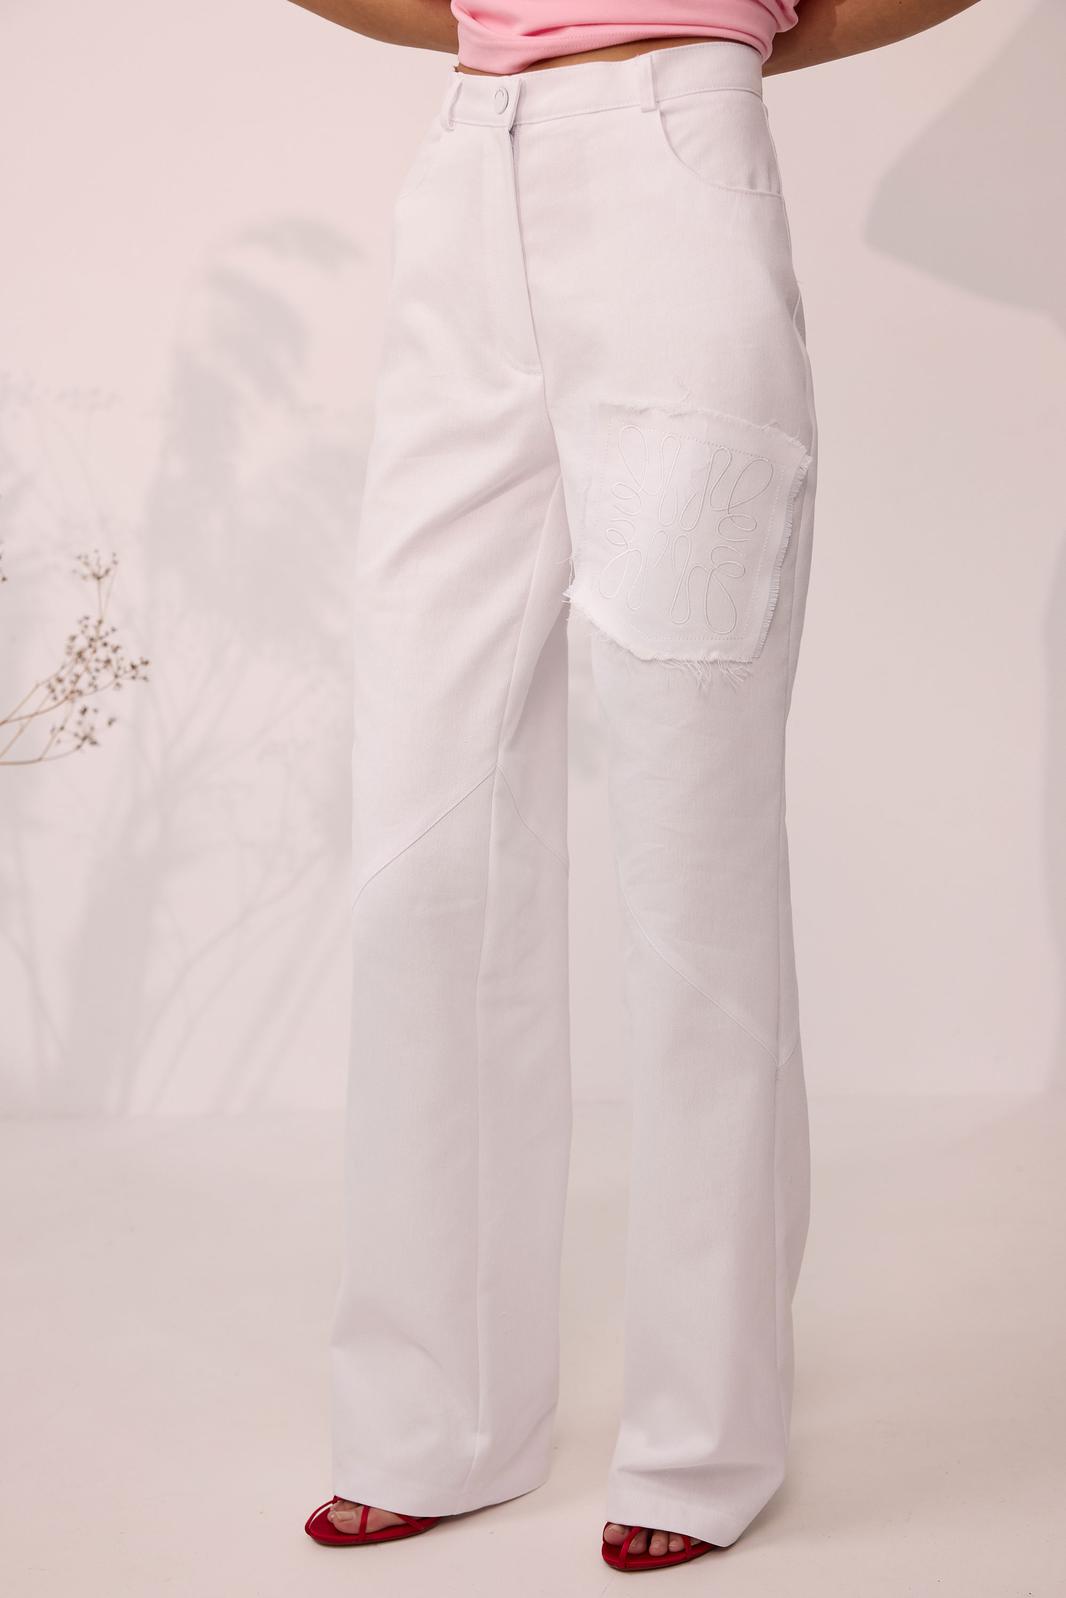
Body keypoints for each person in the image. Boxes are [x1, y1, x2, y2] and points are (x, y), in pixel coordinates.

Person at [293, 0, 980, 1573]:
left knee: (691, 841)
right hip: (467, 176)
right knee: (421, 854)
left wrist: (729, 24)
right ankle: (433, 1417)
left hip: (678, 163)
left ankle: (699, 1432)